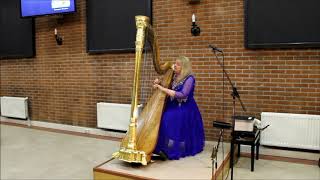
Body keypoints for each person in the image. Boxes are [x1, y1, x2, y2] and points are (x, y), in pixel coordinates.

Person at [153, 56, 205, 160]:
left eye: (178, 64)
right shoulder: (174, 76)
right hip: (173, 105)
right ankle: (165, 147)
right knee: (164, 119)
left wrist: (161, 88)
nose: (175, 65)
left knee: (169, 119)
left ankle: (175, 149)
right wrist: (159, 82)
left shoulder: (190, 78)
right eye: (175, 63)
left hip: (184, 108)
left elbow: (182, 94)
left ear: (184, 67)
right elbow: (169, 87)